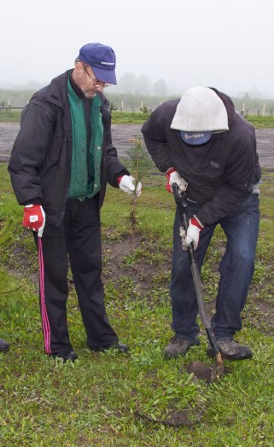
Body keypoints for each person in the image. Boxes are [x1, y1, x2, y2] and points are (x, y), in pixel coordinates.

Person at [8, 43, 140, 362]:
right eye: (98, 77)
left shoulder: (100, 105)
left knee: (90, 272)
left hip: (87, 204)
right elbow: (22, 161)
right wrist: (31, 203)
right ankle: (59, 346)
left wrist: (119, 176)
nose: (102, 85)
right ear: (79, 66)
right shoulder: (46, 103)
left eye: (107, 80)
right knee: (54, 277)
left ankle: (101, 338)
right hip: (52, 208)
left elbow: (104, 152)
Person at [142, 86, 261, 361]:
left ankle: (223, 336)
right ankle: (184, 334)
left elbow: (238, 189)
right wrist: (169, 169)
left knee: (241, 260)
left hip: (238, 200)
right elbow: (150, 136)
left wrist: (199, 222)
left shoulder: (241, 134)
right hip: (192, 195)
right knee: (184, 264)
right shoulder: (167, 115)